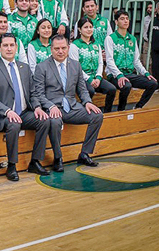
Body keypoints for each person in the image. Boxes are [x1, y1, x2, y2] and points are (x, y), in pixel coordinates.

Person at [0, 33, 55, 180]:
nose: (9, 49)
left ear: (16, 47)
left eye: (12, 45)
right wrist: (7, 111)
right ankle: (11, 165)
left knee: (44, 120)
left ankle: (35, 161)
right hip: (3, 115)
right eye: (5, 45)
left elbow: (33, 92)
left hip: (23, 112)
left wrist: (37, 107)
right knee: (14, 125)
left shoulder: (25, 68)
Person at [34, 35, 105, 168]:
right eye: (57, 48)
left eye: (63, 48)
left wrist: (87, 102)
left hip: (73, 107)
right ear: (51, 49)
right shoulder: (41, 67)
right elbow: (39, 94)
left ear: (68, 48)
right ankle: (58, 157)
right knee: (54, 121)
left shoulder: (76, 65)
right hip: (54, 108)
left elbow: (82, 90)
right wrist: (50, 106)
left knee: (97, 115)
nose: (60, 51)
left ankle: (84, 154)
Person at [104, 9, 159, 110]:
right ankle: (121, 110)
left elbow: (136, 61)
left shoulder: (132, 39)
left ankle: (138, 107)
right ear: (116, 22)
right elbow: (109, 60)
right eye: (122, 19)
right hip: (114, 74)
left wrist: (146, 73)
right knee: (126, 86)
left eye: (127, 19)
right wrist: (119, 75)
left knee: (153, 83)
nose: (125, 21)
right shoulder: (110, 38)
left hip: (129, 74)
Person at [70, 17, 117, 112]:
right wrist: (89, 79)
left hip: (96, 78)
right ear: (79, 29)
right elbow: (76, 67)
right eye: (85, 27)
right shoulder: (74, 45)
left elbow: (100, 63)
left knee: (112, 89)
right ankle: (85, 113)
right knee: (90, 91)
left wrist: (99, 77)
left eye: (90, 27)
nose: (89, 29)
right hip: (81, 79)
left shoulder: (96, 44)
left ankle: (107, 114)